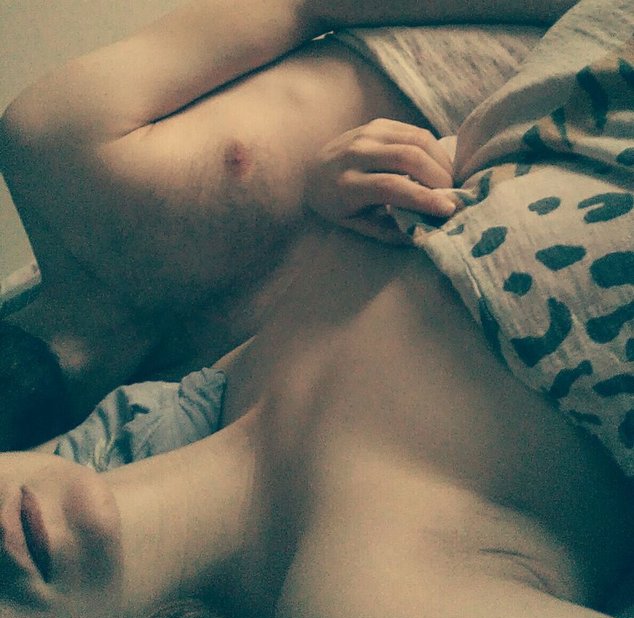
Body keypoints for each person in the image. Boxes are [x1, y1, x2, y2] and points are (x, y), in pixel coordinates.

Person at [0, 0, 567, 449]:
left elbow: (307, 2)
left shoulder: (52, 153)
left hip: (535, 33)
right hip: (565, 174)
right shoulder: (201, 425)